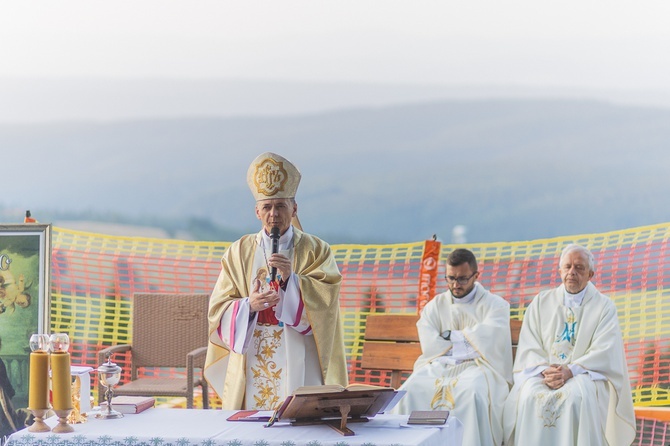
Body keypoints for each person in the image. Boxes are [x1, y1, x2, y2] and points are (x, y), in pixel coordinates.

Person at [203, 152, 348, 410]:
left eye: (281, 206)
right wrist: (249, 306)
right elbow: (217, 309)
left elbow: (327, 304)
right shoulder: (239, 251)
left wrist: (292, 280)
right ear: (257, 211)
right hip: (253, 351)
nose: (274, 214)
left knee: (298, 422)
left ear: (294, 209)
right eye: (267, 207)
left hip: (299, 349)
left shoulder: (317, 250)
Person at [503, 244, 636, 445]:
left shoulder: (604, 307)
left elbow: (605, 350)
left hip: (583, 374)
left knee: (575, 398)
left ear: (590, 274)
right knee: (529, 395)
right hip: (543, 373)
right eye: (567, 267)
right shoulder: (541, 302)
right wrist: (545, 370)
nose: (572, 272)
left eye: (579, 268)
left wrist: (570, 371)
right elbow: (529, 345)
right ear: (560, 271)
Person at [393, 248, 513, 446]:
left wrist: (450, 338)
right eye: (450, 278)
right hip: (440, 363)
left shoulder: (495, 305)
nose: (456, 284)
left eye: (463, 279)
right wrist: (468, 338)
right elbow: (429, 340)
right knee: (410, 390)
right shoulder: (436, 305)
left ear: (476, 275)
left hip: (480, 366)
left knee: (473, 393)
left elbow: (492, 339)